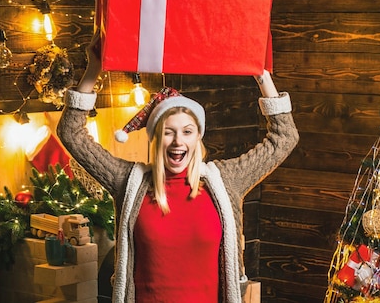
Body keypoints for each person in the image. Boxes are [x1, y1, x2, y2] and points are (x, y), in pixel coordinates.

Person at [57, 35, 299, 303]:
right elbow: (71, 133)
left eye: (187, 131)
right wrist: (94, 69)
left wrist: (262, 75)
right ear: (156, 139)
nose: (177, 141)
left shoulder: (225, 180)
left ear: (198, 137)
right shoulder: (129, 181)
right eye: (168, 132)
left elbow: (284, 138)